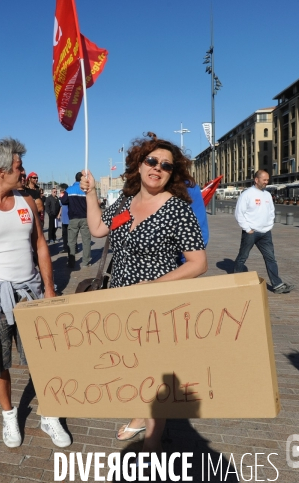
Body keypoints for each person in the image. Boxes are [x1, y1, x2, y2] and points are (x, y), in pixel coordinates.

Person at [81, 132, 207, 454]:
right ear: (138, 165)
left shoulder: (177, 209)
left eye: (165, 166)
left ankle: (152, 447)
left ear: (172, 173)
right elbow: (98, 229)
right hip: (121, 301)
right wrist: (91, 192)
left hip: (157, 306)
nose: (157, 168)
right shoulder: (126, 203)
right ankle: (140, 416)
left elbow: (198, 262)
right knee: (133, 367)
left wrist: (153, 285)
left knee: (154, 374)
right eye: (151, 161)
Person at [0, 137, 71, 449]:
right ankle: (9, 415)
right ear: (1, 170)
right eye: (18, 167)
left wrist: (49, 289)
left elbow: (40, 246)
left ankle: (49, 415)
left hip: (30, 294)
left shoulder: (26, 202)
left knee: (44, 357)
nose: (23, 172)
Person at [233, 170, 294, 294]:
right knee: (242, 257)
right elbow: (239, 213)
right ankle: (235, 282)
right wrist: (247, 229)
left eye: (267, 180)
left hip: (265, 233)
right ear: (256, 180)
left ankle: (277, 285)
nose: (267, 182)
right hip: (251, 232)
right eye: (264, 180)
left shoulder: (267, 194)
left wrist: (269, 225)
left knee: (271, 258)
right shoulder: (247, 194)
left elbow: (271, 211)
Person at [61, 172, 92, 268]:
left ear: (75, 179)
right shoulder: (86, 190)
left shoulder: (69, 190)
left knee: (71, 241)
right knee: (86, 241)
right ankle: (85, 262)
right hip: (85, 218)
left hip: (73, 218)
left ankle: (71, 263)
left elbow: (63, 201)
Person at [58, 184, 69, 254]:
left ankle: (73, 248)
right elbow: (61, 207)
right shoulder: (62, 198)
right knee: (64, 234)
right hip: (64, 219)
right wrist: (59, 215)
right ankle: (65, 247)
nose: (61, 192)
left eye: (61, 190)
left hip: (69, 218)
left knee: (69, 235)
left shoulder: (67, 196)